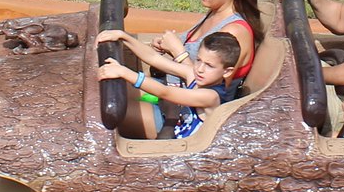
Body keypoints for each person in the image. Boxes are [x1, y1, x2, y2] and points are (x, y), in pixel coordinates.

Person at [95, 0, 261, 87]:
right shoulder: (214, 13)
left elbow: (204, 88)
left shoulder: (235, 32)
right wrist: (124, 37)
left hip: (187, 114)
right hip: (169, 93)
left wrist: (178, 52)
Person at [99, 31, 242, 140]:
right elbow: (154, 58)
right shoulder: (195, 76)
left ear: (227, 72)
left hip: (185, 152)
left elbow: (164, 92)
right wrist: (123, 37)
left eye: (209, 66)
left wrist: (124, 72)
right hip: (176, 136)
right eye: (198, 60)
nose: (200, 68)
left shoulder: (210, 96)